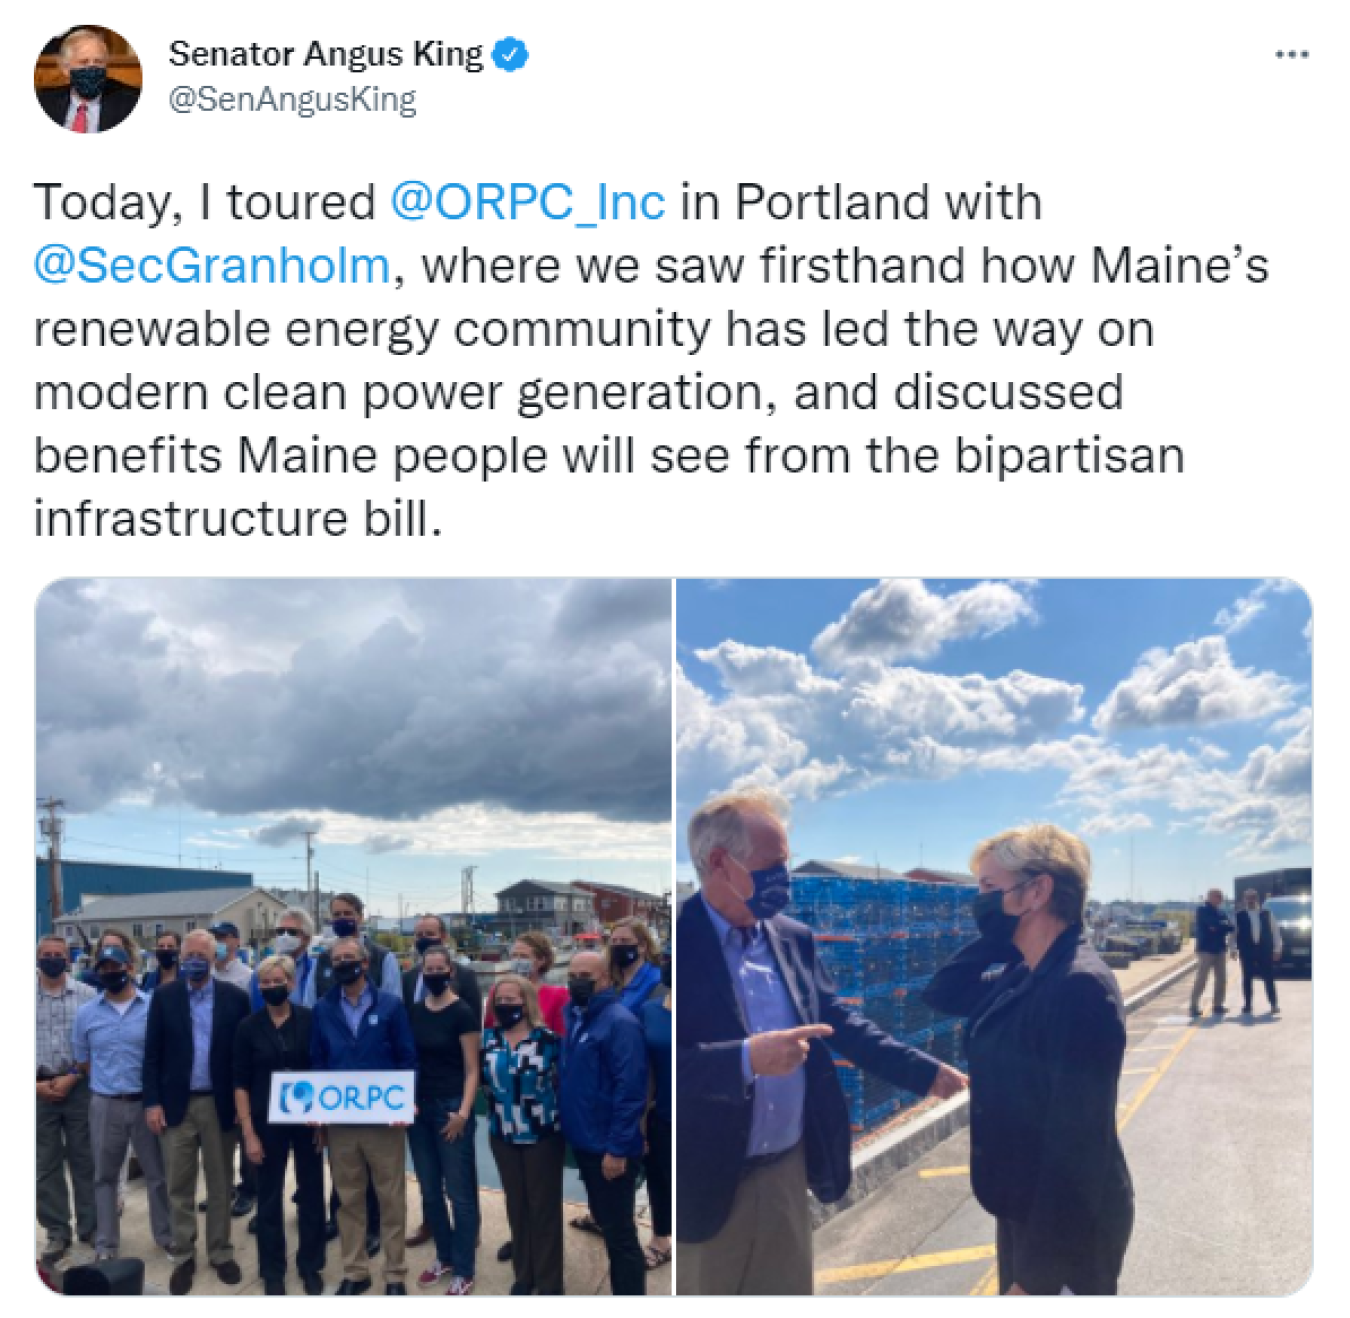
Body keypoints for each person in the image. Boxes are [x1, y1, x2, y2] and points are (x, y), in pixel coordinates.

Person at [677, 788, 966, 1295]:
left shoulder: (791, 937)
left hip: (787, 1171)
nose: (783, 879)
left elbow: (840, 1023)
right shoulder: (676, 945)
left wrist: (924, 1071)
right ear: (720, 862)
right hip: (708, 1182)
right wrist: (746, 1060)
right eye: (773, 864)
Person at [924, 824, 1134, 1296]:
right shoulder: (1028, 971)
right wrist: (1002, 934)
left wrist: (1036, 1275)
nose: (979, 902)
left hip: (1066, 1233)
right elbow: (943, 992)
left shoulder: (1079, 988)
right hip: (1026, 1207)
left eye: (989, 889)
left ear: (1037, 891)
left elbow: (1077, 1144)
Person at [143, 929, 252, 1294]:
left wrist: (243, 1105)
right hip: (177, 1105)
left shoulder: (236, 998)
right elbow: (152, 1055)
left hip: (219, 1104)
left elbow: (243, 1056)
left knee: (221, 1184)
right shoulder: (163, 997)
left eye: (201, 956)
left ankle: (220, 1252)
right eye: (187, 954)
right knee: (179, 1185)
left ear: (214, 956)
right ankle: (184, 1253)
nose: (193, 961)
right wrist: (152, 1102)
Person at [310, 935, 418, 1295]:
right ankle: (355, 1271)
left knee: (391, 1199)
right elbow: (318, 1061)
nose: (342, 963)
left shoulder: (390, 1006)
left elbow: (407, 1058)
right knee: (348, 1199)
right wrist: (318, 1108)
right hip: (341, 1124)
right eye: (336, 959)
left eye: (348, 957)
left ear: (365, 963)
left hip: (385, 1123)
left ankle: (395, 1274)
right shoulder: (323, 1009)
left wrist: (406, 1099)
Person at [71, 945, 173, 1262]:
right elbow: (82, 1059)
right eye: (104, 968)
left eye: (115, 966)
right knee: (104, 1176)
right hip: (105, 1104)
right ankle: (107, 1244)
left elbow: (163, 1054)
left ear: (129, 968)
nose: (109, 972)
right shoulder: (86, 1014)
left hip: (146, 1103)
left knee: (156, 1175)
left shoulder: (153, 1006)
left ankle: (165, 1236)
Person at [233, 955, 326, 1295]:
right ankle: (272, 1270)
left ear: (291, 983)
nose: (272, 987)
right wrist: (248, 1132)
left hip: (306, 1121)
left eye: (278, 981)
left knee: (312, 1194)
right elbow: (240, 1082)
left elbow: (321, 1068)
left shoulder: (310, 1019)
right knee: (269, 1197)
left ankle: (311, 1264)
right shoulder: (248, 1027)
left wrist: (323, 1120)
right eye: (265, 983)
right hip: (265, 1122)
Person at [313, 893, 400, 1252]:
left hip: (376, 1079)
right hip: (337, 1079)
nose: (342, 918)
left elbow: (394, 1012)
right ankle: (343, 1220)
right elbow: (310, 1008)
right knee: (344, 1166)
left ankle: (376, 1226)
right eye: (337, 914)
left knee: (381, 1172)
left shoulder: (384, 957)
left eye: (348, 913)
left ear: (362, 917)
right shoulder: (322, 961)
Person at [560, 950, 648, 1295]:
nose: (578, 982)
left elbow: (630, 1091)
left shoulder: (620, 1022)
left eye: (587, 977)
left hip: (608, 1148)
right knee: (606, 1222)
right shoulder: (575, 1015)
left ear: (606, 981)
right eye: (573, 975)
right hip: (584, 1141)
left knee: (620, 1234)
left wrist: (617, 1149)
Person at [480, 976, 565, 1295]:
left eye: (512, 999)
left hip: (542, 1136)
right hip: (502, 1135)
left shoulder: (550, 1041)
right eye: (499, 1000)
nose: (505, 1006)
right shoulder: (487, 1040)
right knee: (517, 1207)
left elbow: (564, 1085)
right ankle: (524, 1275)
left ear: (527, 1002)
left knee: (543, 1210)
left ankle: (549, 1282)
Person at [407, 945, 482, 1294]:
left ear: (451, 972)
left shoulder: (463, 1012)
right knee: (429, 1191)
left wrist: (464, 1113)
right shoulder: (415, 1011)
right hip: (420, 1110)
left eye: (440, 968)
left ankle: (464, 1268)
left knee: (460, 1193)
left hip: (452, 1108)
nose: (434, 973)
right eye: (428, 968)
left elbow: (472, 1069)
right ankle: (444, 1255)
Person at [36, 934, 97, 1267]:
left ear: (69, 958)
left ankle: (90, 1225)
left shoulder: (87, 997)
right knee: (46, 1165)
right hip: (37, 1090)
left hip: (77, 1086)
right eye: (46, 954)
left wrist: (73, 1075)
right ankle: (57, 1231)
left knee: (83, 1159)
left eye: (58, 954)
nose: (52, 958)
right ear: (37, 958)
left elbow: (95, 1044)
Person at [37, 28, 140, 134]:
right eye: (83, 62)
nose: (92, 67)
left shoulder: (130, 104)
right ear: (65, 68)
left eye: (98, 62)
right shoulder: (45, 103)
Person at [641, 951, 672, 1274]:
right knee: (659, 1180)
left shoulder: (713, 1010)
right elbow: (646, 1071)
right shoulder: (650, 1010)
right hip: (661, 1114)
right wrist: (641, 1121)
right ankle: (661, 1240)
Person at [401, 912, 482, 1018]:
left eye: (430, 934)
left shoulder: (465, 976)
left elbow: (474, 1020)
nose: (424, 939)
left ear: (443, 937)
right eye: (419, 935)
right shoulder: (407, 978)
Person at [485, 932, 567, 1034]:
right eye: (514, 956)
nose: (517, 960)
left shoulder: (558, 995)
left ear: (541, 960)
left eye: (524, 956)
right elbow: (489, 1028)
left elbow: (562, 1035)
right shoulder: (497, 991)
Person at [251, 907, 319, 1009]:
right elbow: (257, 1010)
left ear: (306, 938)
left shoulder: (317, 969)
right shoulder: (261, 971)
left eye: (292, 932)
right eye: (280, 931)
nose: (285, 936)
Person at [1235, 889, 1282, 1016]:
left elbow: (1275, 932)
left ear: (1257, 899)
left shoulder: (1267, 914)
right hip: (1247, 952)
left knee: (1269, 978)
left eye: (1253, 898)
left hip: (1264, 951)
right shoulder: (1239, 915)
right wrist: (1233, 949)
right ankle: (1248, 1005)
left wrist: (1277, 949)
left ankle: (1273, 1004)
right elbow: (1234, 934)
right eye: (1248, 898)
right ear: (1244, 899)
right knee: (1247, 979)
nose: (1251, 900)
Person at [1190, 888, 1234, 1017]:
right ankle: (1193, 1006)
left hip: (1220, 949)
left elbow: (1229, 926)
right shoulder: (1202, 909)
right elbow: (1213, 924)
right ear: (1209, 897)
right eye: (1217, 896)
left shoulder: (1221, 912)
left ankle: (1218, 1004)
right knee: (1202, 979)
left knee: (1221, 979)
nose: (1220, 898)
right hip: (1206, 950)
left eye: (1221, 896)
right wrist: (1220, 926)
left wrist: (1218, 927)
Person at [608, 917, 664, 1013]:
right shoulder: (611, 979)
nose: (617, 945)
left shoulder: (657, 982)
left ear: (642, 946)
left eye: (624, 941)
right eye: (614, 941)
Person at [210, 921, 255, 992]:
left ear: (237, 941)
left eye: (221, 938)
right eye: (213, 938)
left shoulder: (248, 976)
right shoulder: (206, 974)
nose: (216, 942)